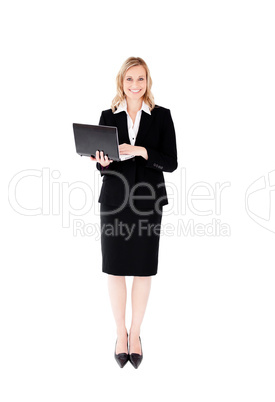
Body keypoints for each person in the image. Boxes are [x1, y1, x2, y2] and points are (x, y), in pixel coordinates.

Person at [90, 56, 178, 368]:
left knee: (142, 268)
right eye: (129, 80)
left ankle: (136, 333)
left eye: (140, 79)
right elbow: (103, 165)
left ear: (147, 81)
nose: (135, 85)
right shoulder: (107, 116)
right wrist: (102, 162)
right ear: (121, 82)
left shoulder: (161, 116)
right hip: (114, 200)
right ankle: (120, 333)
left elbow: (171, 162)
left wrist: (141, 151)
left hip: (147, 201)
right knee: (115, 268)